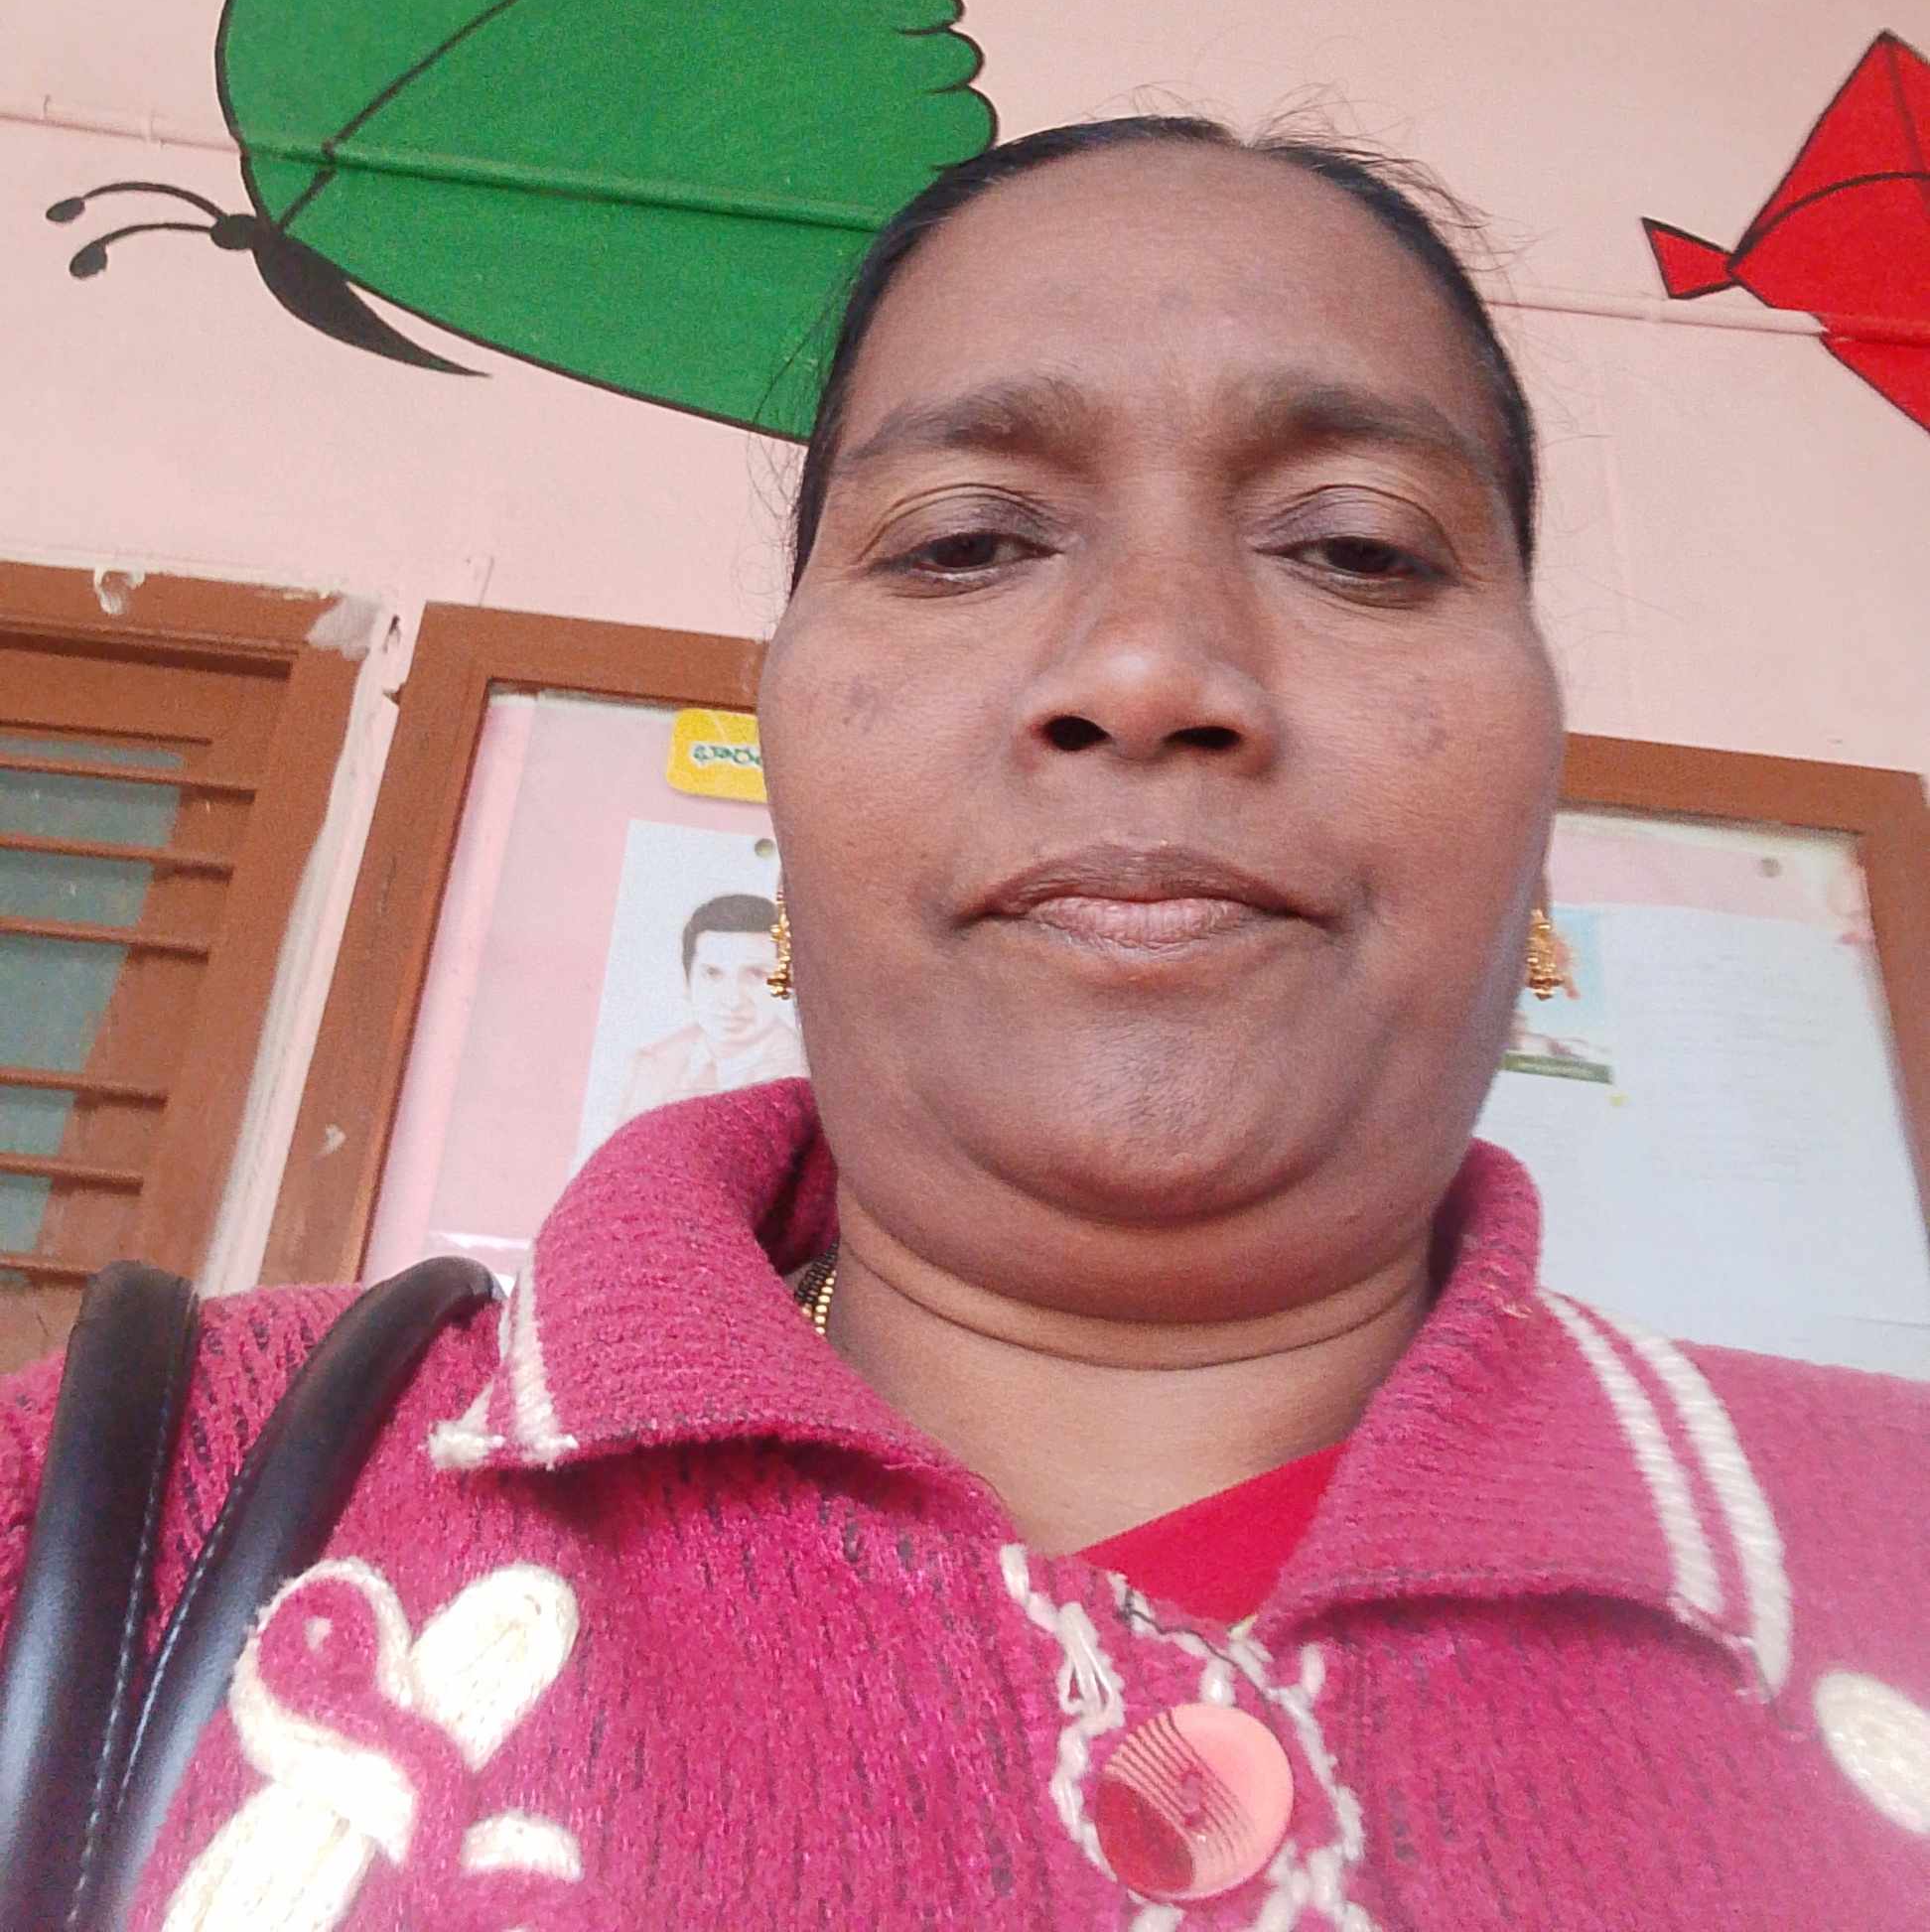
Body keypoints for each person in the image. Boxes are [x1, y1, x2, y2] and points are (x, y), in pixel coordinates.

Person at [2, 118, 1925, 1927]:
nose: (1149, 668)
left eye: (1356, 545)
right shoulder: (122, 1504)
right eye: (963, 542)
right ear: (776, 755)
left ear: (1541, 775)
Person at [620, 890, 804, 1116]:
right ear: (687, 981)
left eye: (756, 974)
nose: (732, 1000)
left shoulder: (803, 1074)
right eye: (712, 974)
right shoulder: (651, 1064)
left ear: (786, 983)